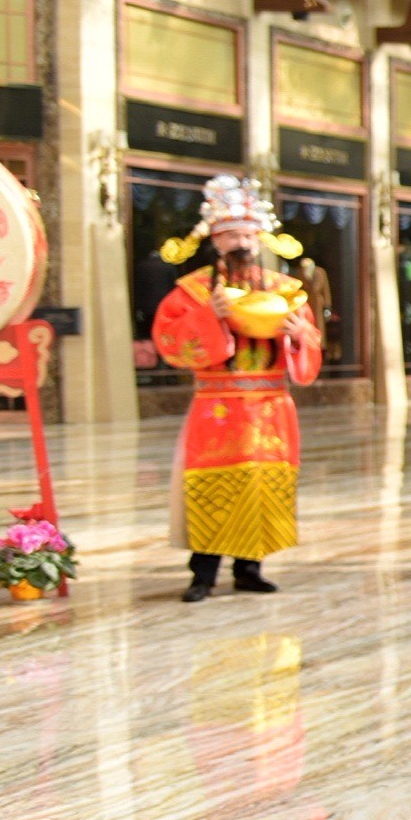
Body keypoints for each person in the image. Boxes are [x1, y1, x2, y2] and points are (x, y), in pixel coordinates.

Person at [150, 175, 323, 603]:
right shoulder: (191, 291)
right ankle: (203, 574)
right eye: (229, 234)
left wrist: (299, 332)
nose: (240, 242)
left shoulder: (287, 291)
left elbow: (312, 345)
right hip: (217, 405)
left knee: (263, 484)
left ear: (260, 235)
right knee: (210, 484)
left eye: (246, 233)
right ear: (215, 239)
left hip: (269, 405)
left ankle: (251, 567)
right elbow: (169, 341)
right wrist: (210, 316)